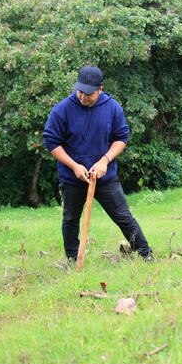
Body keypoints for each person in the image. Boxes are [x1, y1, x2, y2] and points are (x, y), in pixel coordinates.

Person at [43, 65, 153, 262]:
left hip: (105, 176)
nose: (83, 97)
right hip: (72, 177)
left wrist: (105, 160)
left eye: (88, 94)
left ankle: (145, 254)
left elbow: (121, 138)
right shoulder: (62, 109)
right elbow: (51, 142)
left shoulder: (112, 108)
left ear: (100, 89)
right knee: (70, 219)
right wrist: (74, 166)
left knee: (123, 216)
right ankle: (72, 259)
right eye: (80, 92)